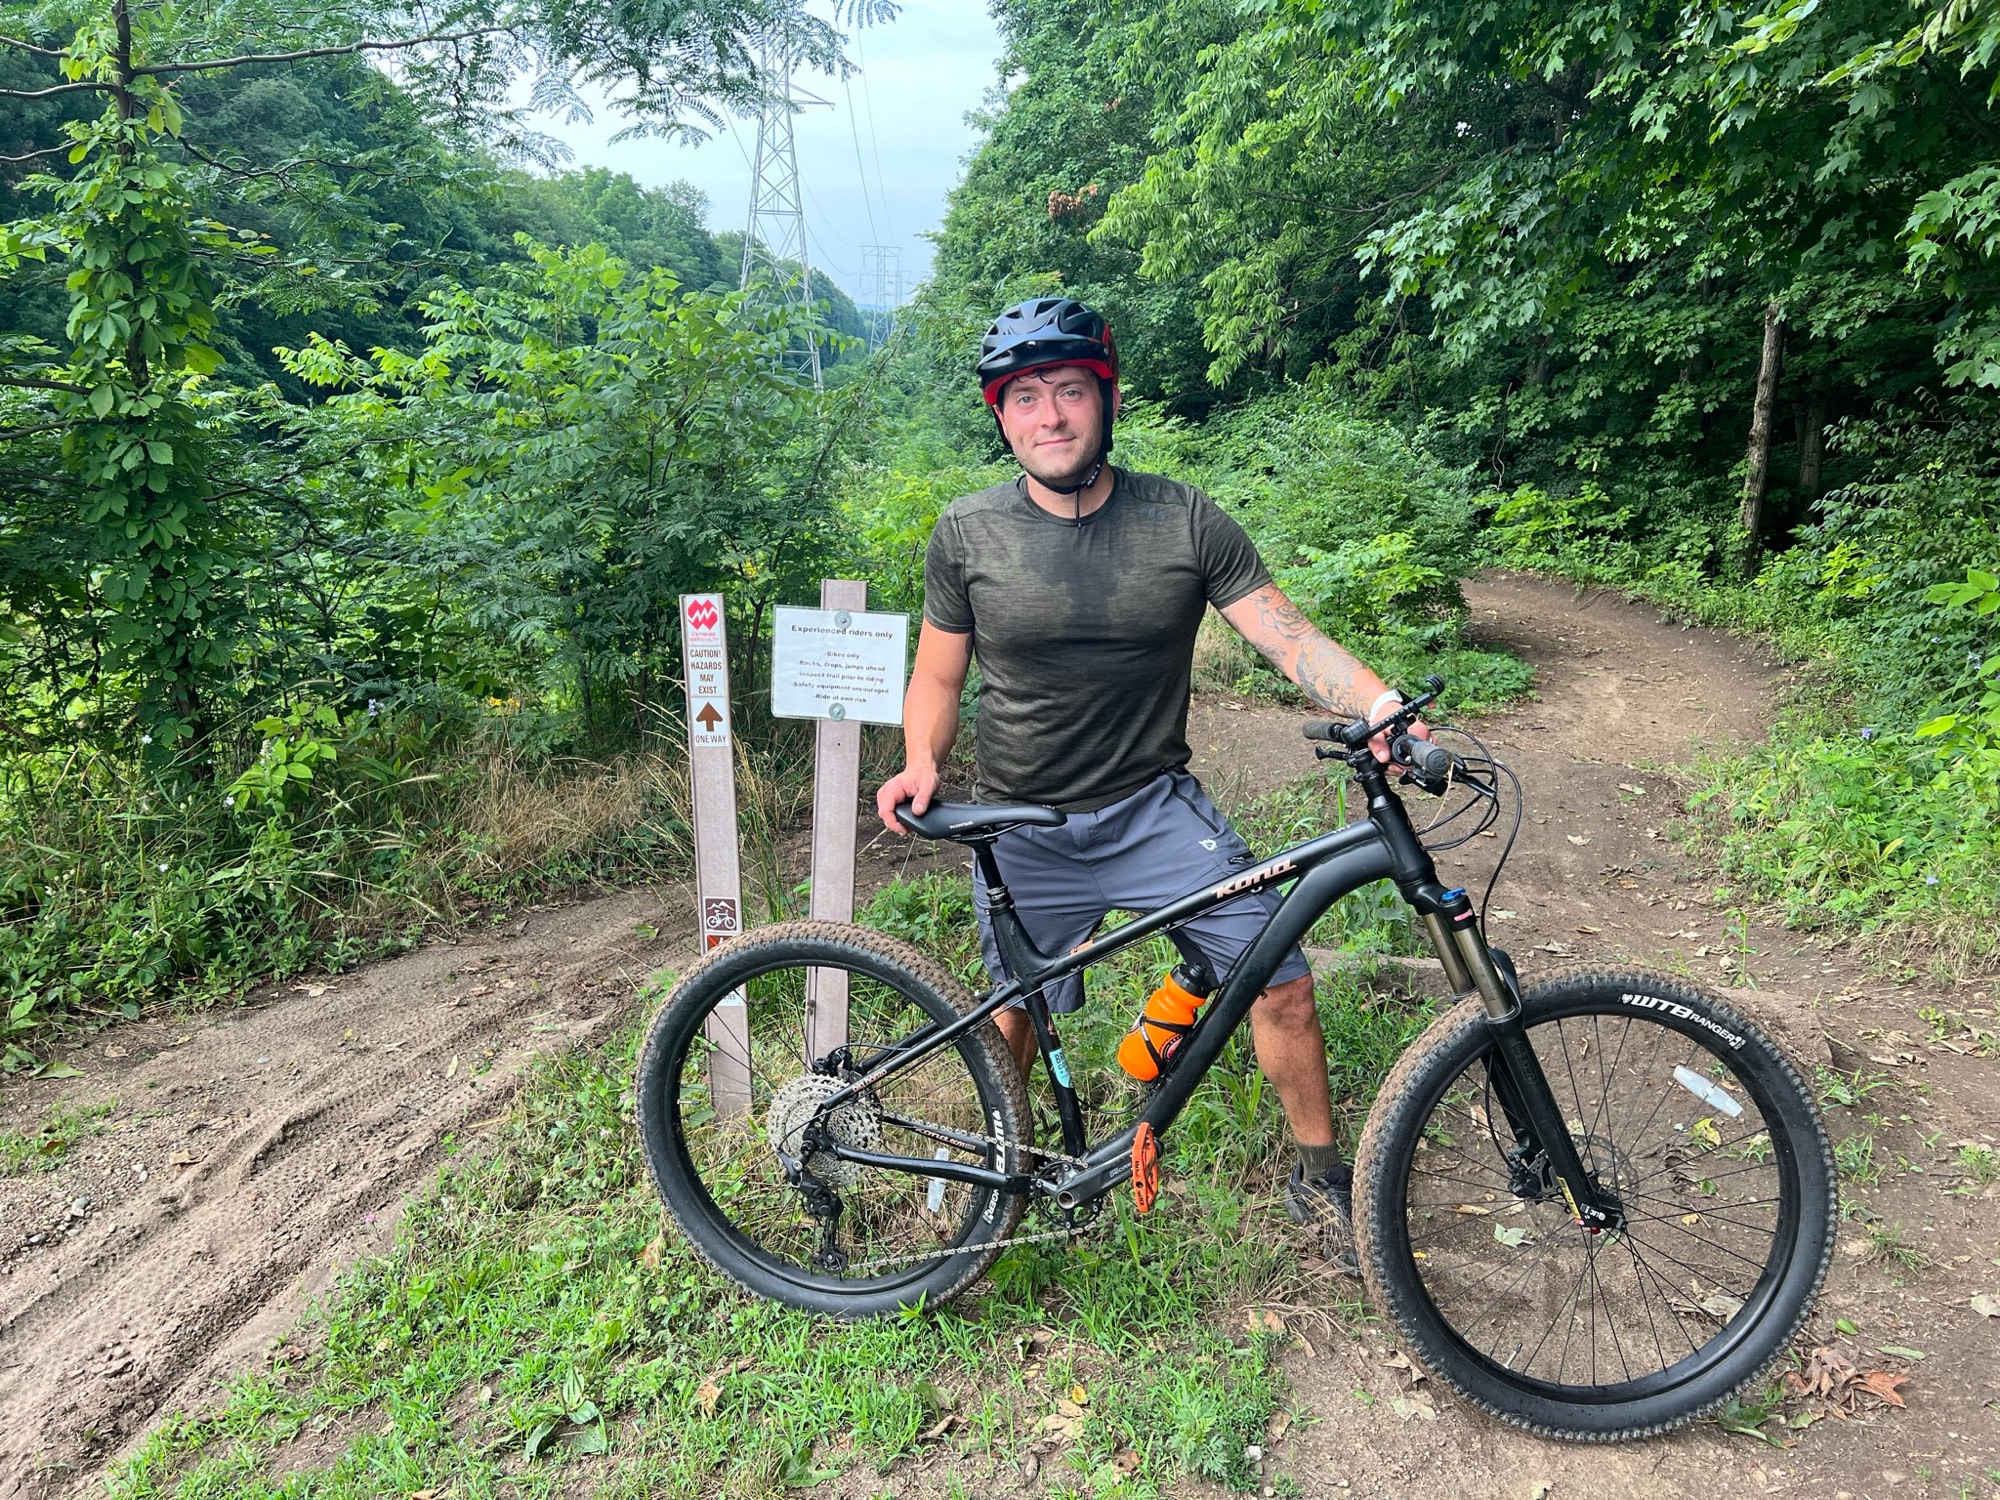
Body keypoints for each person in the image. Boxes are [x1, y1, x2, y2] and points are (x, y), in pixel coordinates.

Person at [874, 296, 1426, 1268]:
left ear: (1107, 399)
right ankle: (996, 1169)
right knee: (1014, 1009)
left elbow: (1286, 636)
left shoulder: (1183, 520)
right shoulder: (966, 532)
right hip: (1021, 823)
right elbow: (938, 676)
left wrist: (1380, 705)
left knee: (1282, 983)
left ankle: (1321, 1179)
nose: (1050, 415)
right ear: (1001, 416)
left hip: (1153, 809)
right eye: (1025, 397)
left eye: (1070, 390)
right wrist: (922, 757)